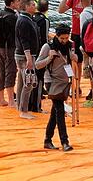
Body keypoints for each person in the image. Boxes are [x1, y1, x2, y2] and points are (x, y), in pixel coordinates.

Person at [36, 24, 78, 152]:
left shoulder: (70, 46)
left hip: (64, 81)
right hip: (52, 81)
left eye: (66, 38)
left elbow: (73, 58)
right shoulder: (48, 47)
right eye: (62, 39)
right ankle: (64, 141)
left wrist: (74, 56)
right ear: (57, 36)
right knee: (60, 111)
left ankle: (47, 140)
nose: (64, 41)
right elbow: (37, 65)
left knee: (55, 112)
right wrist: (49, 58)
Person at [0, 0, 19, 107]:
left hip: (0, 47)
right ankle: (11, 100)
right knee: (11, 72)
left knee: (1, 72)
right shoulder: (12, 17)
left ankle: (1, 98)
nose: (18, 3)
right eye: (17, 1)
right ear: (12, 3)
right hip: (9, 48)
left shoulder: (0, 13)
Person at [14, 0, 42, 119]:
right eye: (31, 5)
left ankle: (20, 106)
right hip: (25, 56)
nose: (34, 7)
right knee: (29, 82)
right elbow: (25, 41)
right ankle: (24, 110)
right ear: (25, 7)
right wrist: (29, 58)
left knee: (22, 81)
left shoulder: (25, 19)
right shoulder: (24, 21)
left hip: (24, 55)